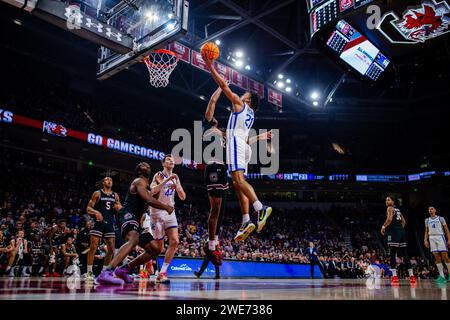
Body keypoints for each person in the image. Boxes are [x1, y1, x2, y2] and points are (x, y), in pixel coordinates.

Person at [202, 57, 273, 242]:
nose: (241, 95)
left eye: (244, 94)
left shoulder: (241, 105)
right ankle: (246, 219)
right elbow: (246, 138)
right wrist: (261, 137)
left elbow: (224, 88)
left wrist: (210, 66)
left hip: (235, 144)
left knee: (238, 180)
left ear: (247, 99)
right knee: (238, 183)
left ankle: (260, 208)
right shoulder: (250, 115)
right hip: (243, 146)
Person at [96, 162, 175, 285]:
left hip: (137, 220)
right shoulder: (139, 181)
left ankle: (124, 269)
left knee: (155, 249)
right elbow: (149, 200)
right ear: (138, 171)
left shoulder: (147, 186)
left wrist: (160, 184)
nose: (146, 165)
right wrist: (166, 207)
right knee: (134, 238)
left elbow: (153, 197)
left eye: (148, 165)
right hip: (126, 214)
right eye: (142, 165)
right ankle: (106, 272)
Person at [150, 154, 186, 283]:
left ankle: (162, 272)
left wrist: (177, 186)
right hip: (157, 212)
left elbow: (183, 197)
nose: (171, 161)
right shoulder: (158, 175)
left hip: (170, 211)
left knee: (175, 241)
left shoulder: (176, 178)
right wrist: (167, 180)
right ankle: (148, 261)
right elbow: (152, 191)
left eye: (172, 160)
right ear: (163, 164)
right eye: (168, 160)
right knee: (159, 248)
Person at [84, 176, 122, 281]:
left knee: (111, 249)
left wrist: (119, 208)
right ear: (103, 182)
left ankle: (104, 273)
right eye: (107, 179)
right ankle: (89, 272)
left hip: (109, 223)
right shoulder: (97, 193)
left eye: (111, 180)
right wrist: (96, 212)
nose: (109, 181)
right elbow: (88, 208)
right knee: (93, 247)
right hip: (98, 223)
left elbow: (120, 208)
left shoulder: (115, 195)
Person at [380, 196, 416, 284]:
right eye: (386, 200)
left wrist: (383, 227)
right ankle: (412, 276)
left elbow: (389, 219)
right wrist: (400, 230)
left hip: (393, 232)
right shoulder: (398, 210)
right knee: (405, 254)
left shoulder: (390, 208)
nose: (386, 201)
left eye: (388, 200)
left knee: (392, 253)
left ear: (393, 201)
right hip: (401, 232)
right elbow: (404, 222)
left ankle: (395, 277)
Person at [424, 205, 450, 283]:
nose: (430, 210)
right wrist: (425, 240)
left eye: (432, 209)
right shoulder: (427, 220)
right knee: (437, 258)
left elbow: (446, 229)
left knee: (445, 256)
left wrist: (449, 239)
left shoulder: (441, 218)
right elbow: (426, 231)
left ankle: (449, 274)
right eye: (429, 209)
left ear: (435, 210)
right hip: (432, 238)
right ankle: (442, 276)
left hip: (440, 237)